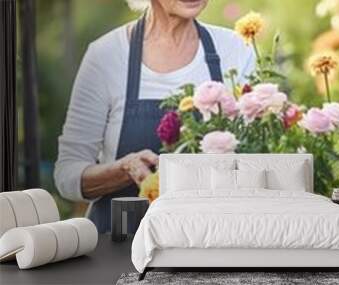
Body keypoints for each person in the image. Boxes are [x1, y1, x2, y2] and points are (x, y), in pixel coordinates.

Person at [54, 0, 255, 233]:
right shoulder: (106, 55)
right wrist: (124, 170)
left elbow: (258, 156)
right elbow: (67, 174)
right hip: (120, 243)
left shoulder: (236, 50)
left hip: (210, 239)